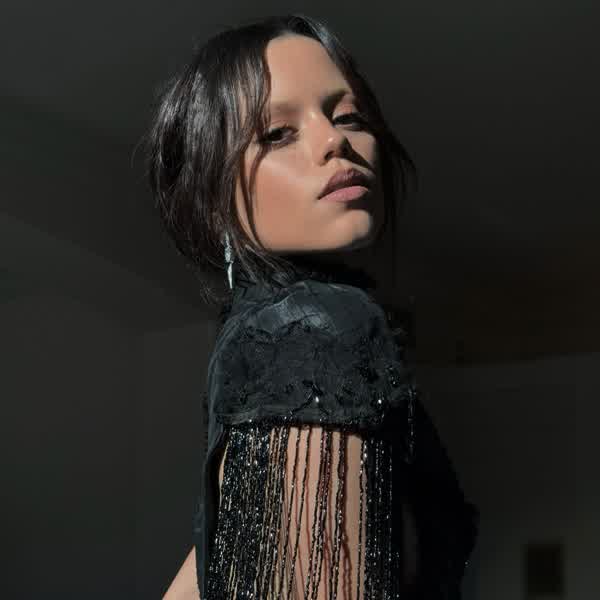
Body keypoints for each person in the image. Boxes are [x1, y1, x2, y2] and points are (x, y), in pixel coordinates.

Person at [145, 14, 479, 599]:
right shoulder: (315, 332)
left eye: (348, 116)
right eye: (278, 133)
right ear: (211, 198)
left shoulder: (261, 339)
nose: (335, 142)